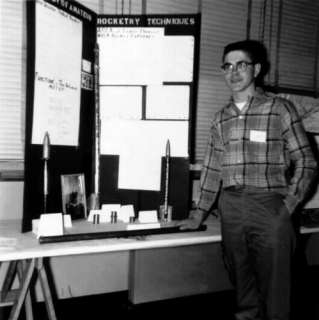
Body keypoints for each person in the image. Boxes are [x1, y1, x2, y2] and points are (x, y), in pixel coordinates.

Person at [178, 40, 317, 320]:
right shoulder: (220, 119)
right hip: (231, 208)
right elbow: (212, 170)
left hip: (270, 205)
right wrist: (198, 214)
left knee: (277, 291)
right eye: (227, 66)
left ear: (256, 69)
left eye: (241, 65)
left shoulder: (279, 109)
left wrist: (289, 205)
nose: (234, 72)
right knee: (241, 284)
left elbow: (306, 159)